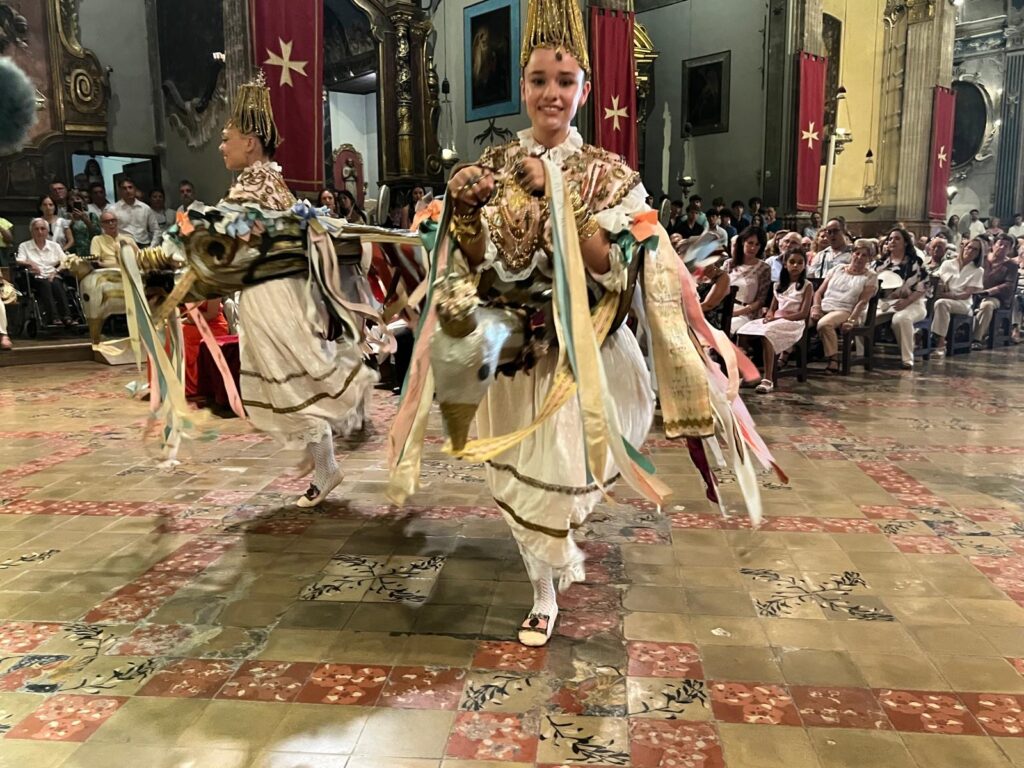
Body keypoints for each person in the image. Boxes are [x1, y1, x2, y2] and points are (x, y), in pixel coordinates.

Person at [389, 0, 777, 647]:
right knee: (523, 471)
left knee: (565, 472)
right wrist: (464, 214)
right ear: (522, 87)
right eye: (539, 80)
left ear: (585, 91)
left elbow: (607, 265)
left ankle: (550, 566)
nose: (551, 93)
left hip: (582, 355)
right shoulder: (495, 166)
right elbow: (478, 261)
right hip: (512, 355)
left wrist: (558, 193)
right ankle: (543, 588)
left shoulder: (609, 175)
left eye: (565, 81)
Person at [215, 74, 377, 506]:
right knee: (293, 379)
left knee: (292, 382)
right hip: (283, 292)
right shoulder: (275, 183)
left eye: (227, 138)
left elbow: (230, 246)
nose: (222, 146)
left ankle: (325, 467)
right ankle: (319, 460)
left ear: (251, 143)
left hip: (269, 295)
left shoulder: (250, 188)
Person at [737, 247, 812, 393]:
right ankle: (746, 373)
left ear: (804, 265)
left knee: (767, 334)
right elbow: (772, 308)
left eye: (800, 263)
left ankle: (768, 379)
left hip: (794, 322)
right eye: (792, 262)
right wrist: (770, 315)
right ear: (785, 264)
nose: (795, 265)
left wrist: (780, 318)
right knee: (743, 331)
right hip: (777, 319)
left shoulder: (806, 286)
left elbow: (803, 313)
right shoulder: (778, 285)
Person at [811, 239, 878, 374]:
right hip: (825, 306)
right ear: (852, 254)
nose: (859, 257)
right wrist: (816, 307)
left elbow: (862, 302)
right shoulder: (837, 269)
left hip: (846, 310)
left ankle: (834, 360)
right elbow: (818, 292)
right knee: (799, 322)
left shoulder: (870, 276)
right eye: (857, 253)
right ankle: (786, 355)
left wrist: (851, 320)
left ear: (869, 259)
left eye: (864, 255)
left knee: (824, 324)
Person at [875, 228, 928, 369]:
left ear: (905, 243)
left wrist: (906, 301)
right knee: (862, 317)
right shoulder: (881, 263)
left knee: (900, 318)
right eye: (890, 239)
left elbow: (923, 287)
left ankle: (907, 359)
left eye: (897, 238)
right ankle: (862, 356)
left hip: (914, 303)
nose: (892, 241)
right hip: (886, 303)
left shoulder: (915, 262)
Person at [930, 237, 986, 356]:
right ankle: (920, 336)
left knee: (941, 303)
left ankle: (940, 344)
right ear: (964, 248)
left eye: (975, 250)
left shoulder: (978, 270)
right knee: (929, 301)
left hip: (963, 303)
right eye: (969, 247)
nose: (971, 251)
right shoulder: (948, 264)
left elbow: (966, 294)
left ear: (979, 254)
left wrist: (952, 296)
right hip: (944, 296)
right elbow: (937, 279)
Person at [16, 218, 74, 326]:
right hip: (36, 278)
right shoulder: (24, 246)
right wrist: (30, 263)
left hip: (53, 275)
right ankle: (53, 318)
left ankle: (67, 317)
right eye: (36, 229)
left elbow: (66, 261)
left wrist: (55, 271)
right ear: (31, 231)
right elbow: (19, 260)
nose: (40, 232)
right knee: (45, 284)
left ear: (47, 231)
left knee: (57, 284)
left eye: (43, 229)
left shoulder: (54, 246)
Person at [973, 233, 1020, 348]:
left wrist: (988, 292)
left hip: (996, 297)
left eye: (1006, 246)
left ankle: (976, 339)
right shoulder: (982, 259)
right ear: (993, 245)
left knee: (987, 305)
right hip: (974, 292)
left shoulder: (1011, 265)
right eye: (1000, 244)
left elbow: (1008, 285)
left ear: (1010, 250)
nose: (1002, 247)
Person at [724, 225, 771, 334]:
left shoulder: (764, 268)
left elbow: (761, 300)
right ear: (742, 242)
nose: (753, 248)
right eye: (750, 243)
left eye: (757, 244)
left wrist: (737, 312)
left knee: (728, 326)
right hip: (725, 308)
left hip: (746, 313)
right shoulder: (729, 264)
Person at [182, 299, 231, 398]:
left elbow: (211, 314)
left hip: (214, 326)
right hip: (195, 322)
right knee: (171, 330)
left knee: (184, 334)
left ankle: (193, 385)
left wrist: (189, 320)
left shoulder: (213, 292)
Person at [112, 178, 160, 247]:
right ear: (120, 191)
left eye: (130, 187)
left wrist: (152, 247)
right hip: (123, 246)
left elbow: (156, 230)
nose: (128, 191)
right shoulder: (113, 209)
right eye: (124, 188)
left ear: (135, 189)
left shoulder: (145, 208)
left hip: (144, 245)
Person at [66, 190, 99, 258]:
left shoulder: (91, 216)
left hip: (90, 250)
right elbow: (64, 236)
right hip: (73, 253)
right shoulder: (66, 217)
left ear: (83, 201)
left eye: (78, 199)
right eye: (72, 200)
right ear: (69, 202)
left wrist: (86, 220)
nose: (75, 201)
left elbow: (97, 233)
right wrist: (70, 223)